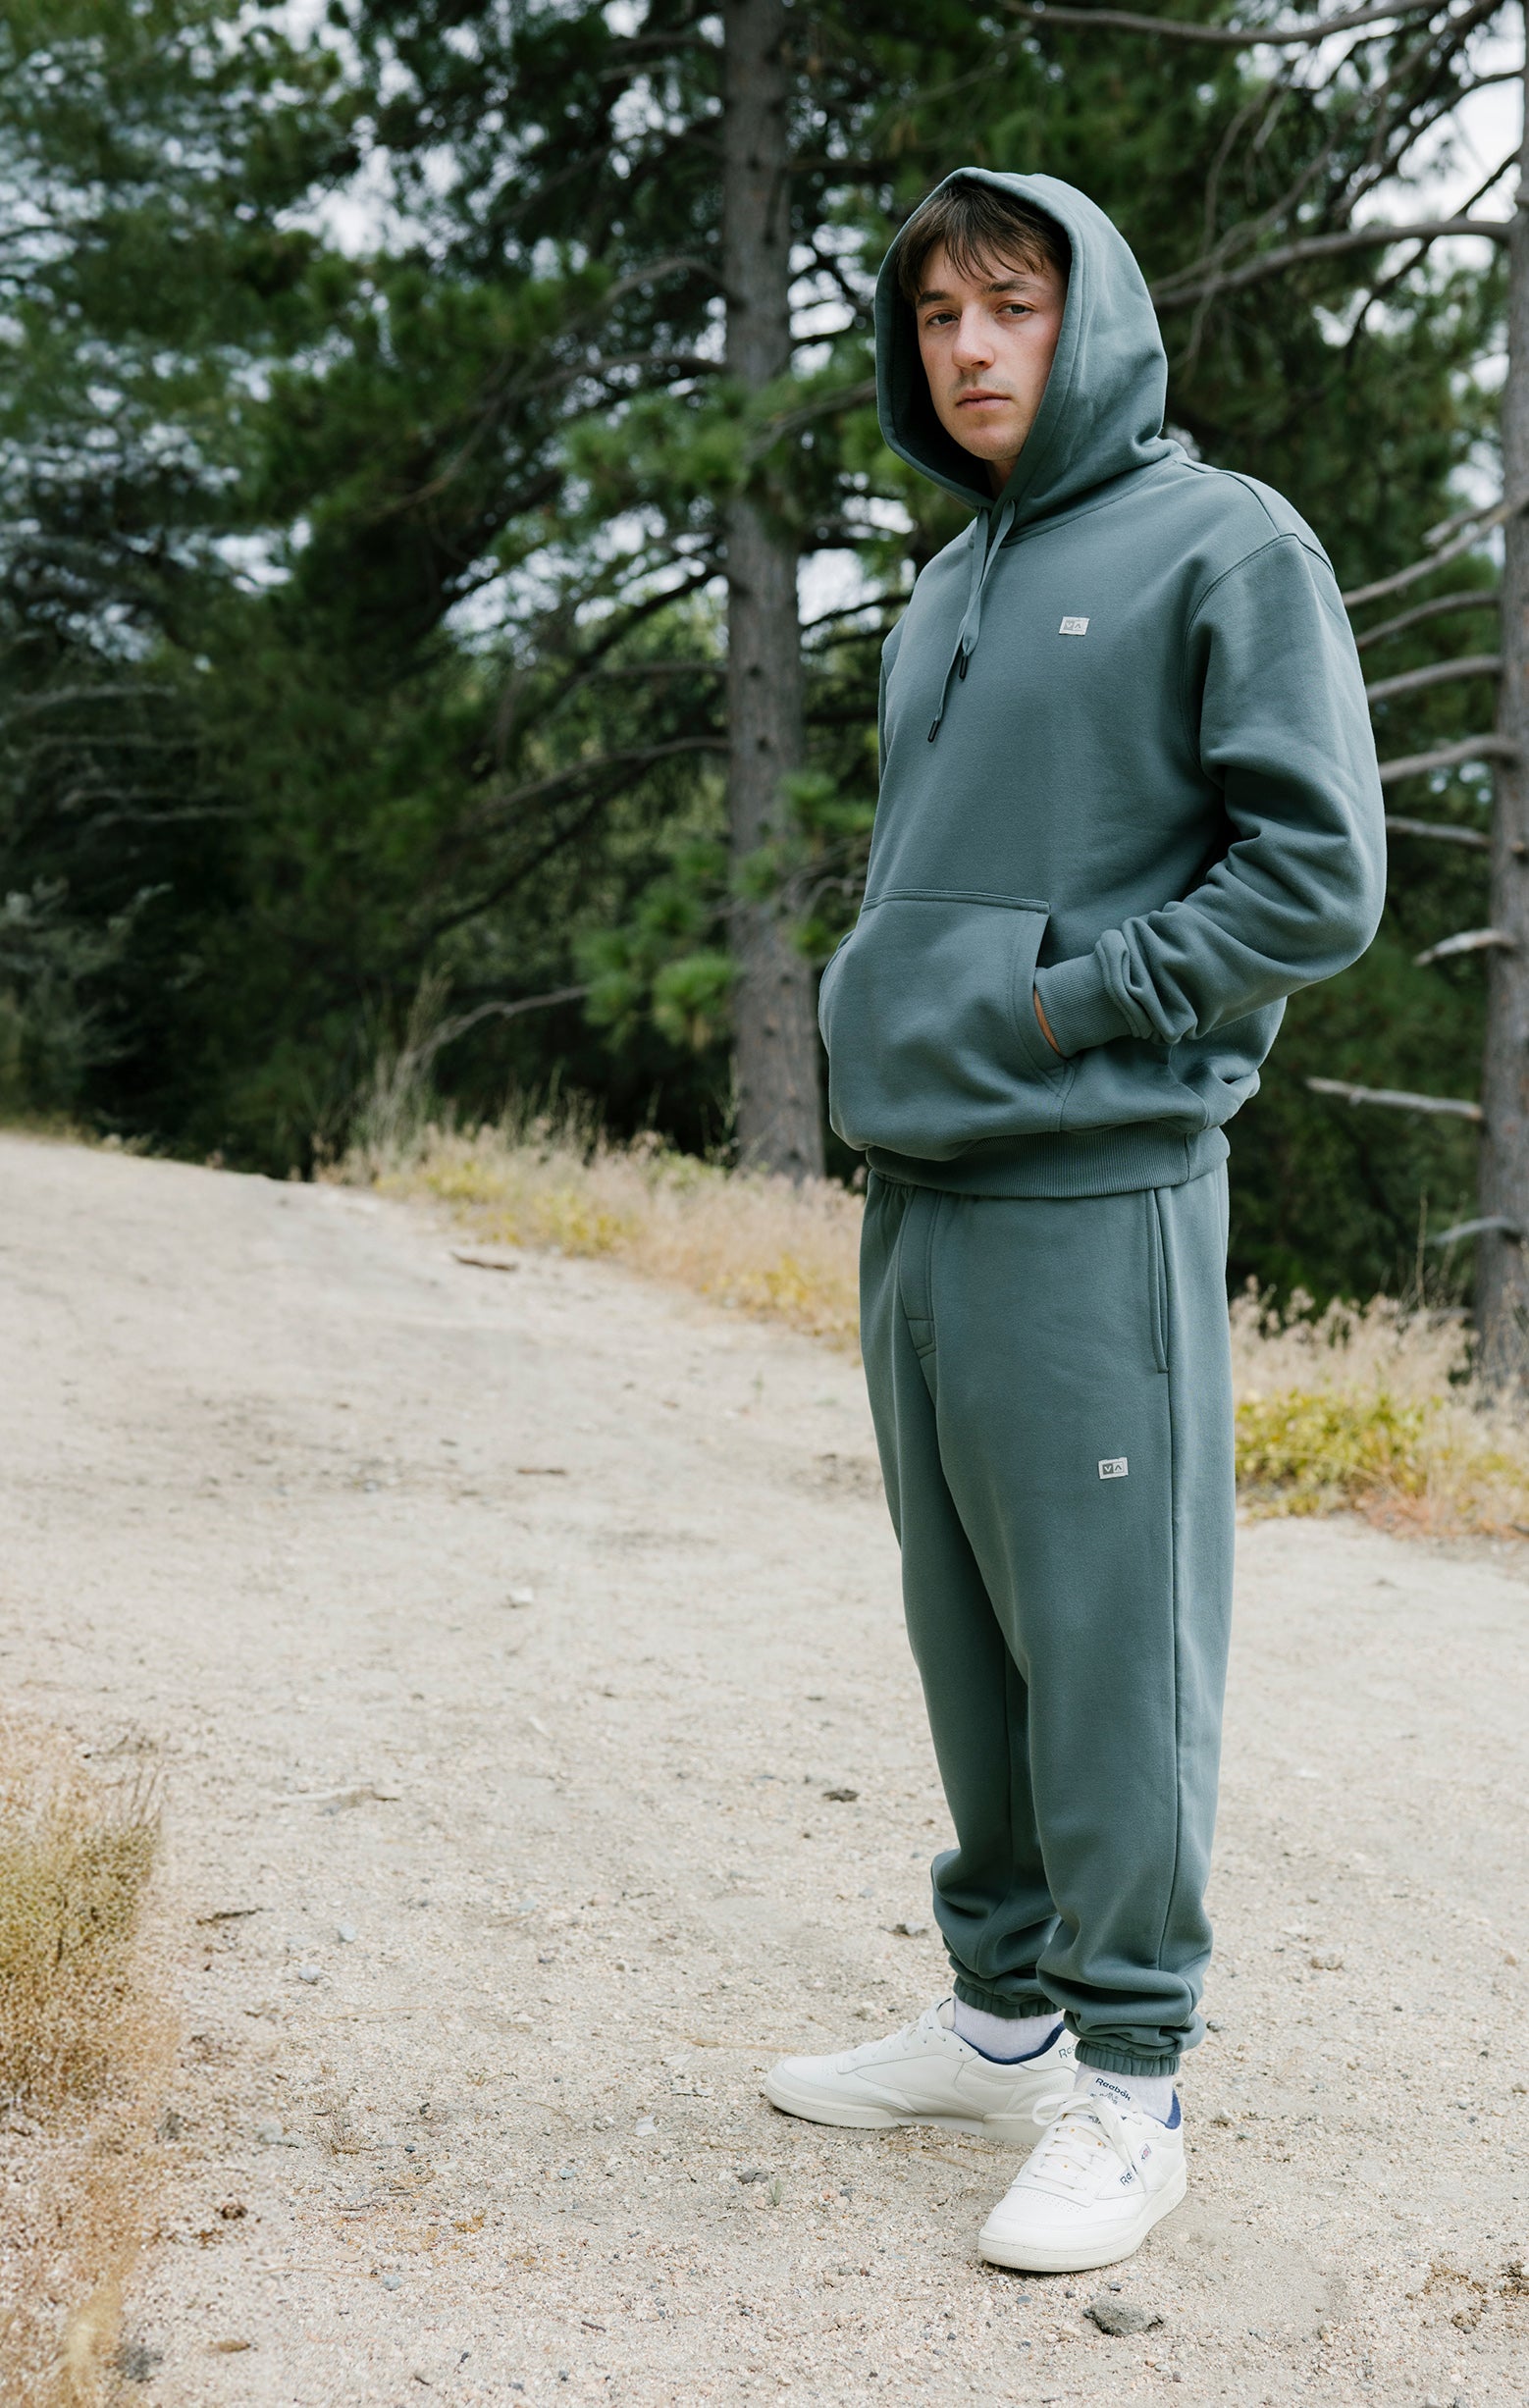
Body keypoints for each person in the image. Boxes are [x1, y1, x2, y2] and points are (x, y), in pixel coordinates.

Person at [764, 169, 1384, 2275]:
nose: (963, 344)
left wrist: (1070, 1001)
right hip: (921, 1188)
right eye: (932, 312)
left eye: (1005, 301)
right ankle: (1002, 2015)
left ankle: (1130, 2081)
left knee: (1111, 1649)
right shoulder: (945, 582)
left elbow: (1315, 879)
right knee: (968, 1638)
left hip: (1091, 1185)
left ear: (1084, 317)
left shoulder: (1227, 544)